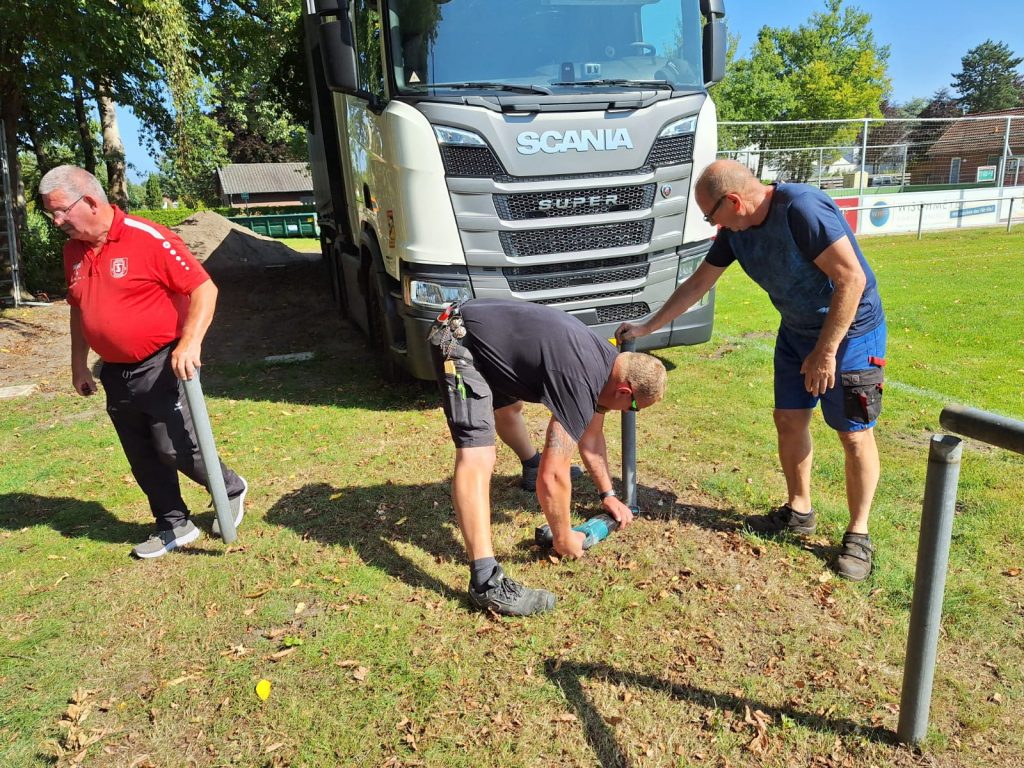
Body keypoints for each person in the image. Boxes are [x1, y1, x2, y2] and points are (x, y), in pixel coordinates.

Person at [617, 159, 886, 581]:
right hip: (796, 331)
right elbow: (699, 283)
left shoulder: (802, 208)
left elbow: (851, 279)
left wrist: (826, 351)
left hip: (850, 332)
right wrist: (648, 327)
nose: (712, 225)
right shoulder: (735, 233)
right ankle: (799, 510)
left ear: (734, 201)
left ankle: (858, 534)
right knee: (788, 420)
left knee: (853, 433)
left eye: (711, 215)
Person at [38, 166, 248, 559]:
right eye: (51, 213)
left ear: (90, 201)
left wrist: (190, 343)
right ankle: (173, 523)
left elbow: (204, 289)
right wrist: (79, 365)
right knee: (142, 454)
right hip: (114, 370)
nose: (56, 220)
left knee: (174, 446)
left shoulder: (146, 236)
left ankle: (230, 489)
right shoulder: (73, 252)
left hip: (162, 362)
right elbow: (79, 309)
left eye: (61, 210)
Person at [430, 299, 667, 616]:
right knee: (478, 455)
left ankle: (529, 464)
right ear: (624, 392)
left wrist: (608, 494)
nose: (630, 413)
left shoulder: (608, 366)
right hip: (458, 339)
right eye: (634, 408)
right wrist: (564, 538)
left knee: (509, 409)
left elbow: (592, 437)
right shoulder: (582, 379)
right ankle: (486, 582)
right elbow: (553, 475)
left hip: (487, 344)